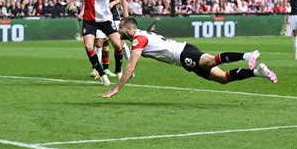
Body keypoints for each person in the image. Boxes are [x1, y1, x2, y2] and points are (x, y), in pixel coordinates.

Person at [99, 17, 278, 98]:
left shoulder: (139, 39)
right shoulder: (138, 37)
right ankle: (258, 72)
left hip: (183, 53)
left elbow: (130, 68)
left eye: (120, 28)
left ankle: (248, 54)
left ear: (129, 29)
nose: (118, 31)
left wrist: (116, 89)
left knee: (209, 60)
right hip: (182, 58)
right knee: (222, 78)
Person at [69, 0, 129, 86]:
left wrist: (126, 17)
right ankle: (102, 74)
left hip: (106, 19)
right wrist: (71, 3)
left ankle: (118, 70)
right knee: (89, 46)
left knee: (118, 46)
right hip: (90, 19)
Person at [89, 0, 130, 78]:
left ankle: (129, 67)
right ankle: (99, 70)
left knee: (121, 43)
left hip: (114, 15)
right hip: (101, 16)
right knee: (100, 42)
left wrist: (114, 3)